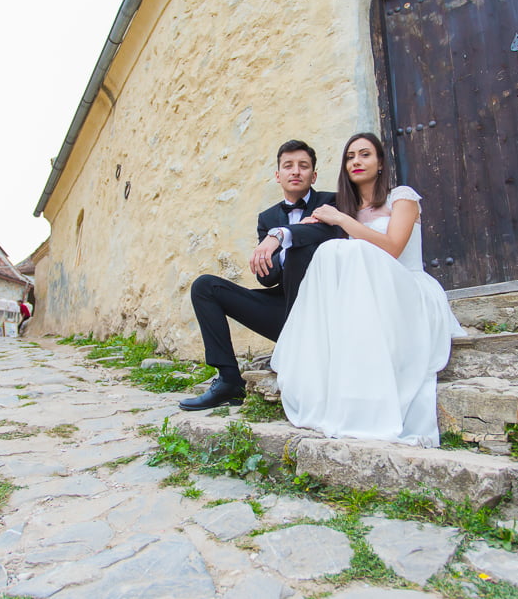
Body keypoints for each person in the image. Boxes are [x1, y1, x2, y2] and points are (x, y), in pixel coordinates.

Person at [271, 132, 467, 447]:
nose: (356, 162)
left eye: (365, 155)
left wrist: (339, 220)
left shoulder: (401, 197)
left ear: (379, 163)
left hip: (408, 288)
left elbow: (391, 248)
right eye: (350, 157)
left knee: (346, 249)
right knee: (331, 252)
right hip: (369, 298)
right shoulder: (346, 210)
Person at [179, 140, 342, 411]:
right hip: (284, 312)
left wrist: (284, 236)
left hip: (321, 313)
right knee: (204, 286)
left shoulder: (331, 201)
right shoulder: (267, 217)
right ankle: (229, 381)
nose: (296, 172)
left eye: (303, 166)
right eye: (288, 166)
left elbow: (331, 233)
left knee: (301, 251)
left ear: (314, 175)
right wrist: (271, 256)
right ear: (277, 175)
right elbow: (267, 280)